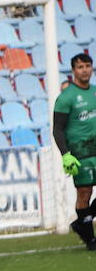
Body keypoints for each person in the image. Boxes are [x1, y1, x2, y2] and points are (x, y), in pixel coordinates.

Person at [53, 52, 96, 249]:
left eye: (88, 66)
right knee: (84, 193)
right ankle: (89, 239)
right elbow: (58, 128)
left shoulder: (95, 91)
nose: (85, 70)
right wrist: (65, 154)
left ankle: (80, 223)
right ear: (73, 71)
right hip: (80, 153)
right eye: (80, 67)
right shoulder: (66, 97)